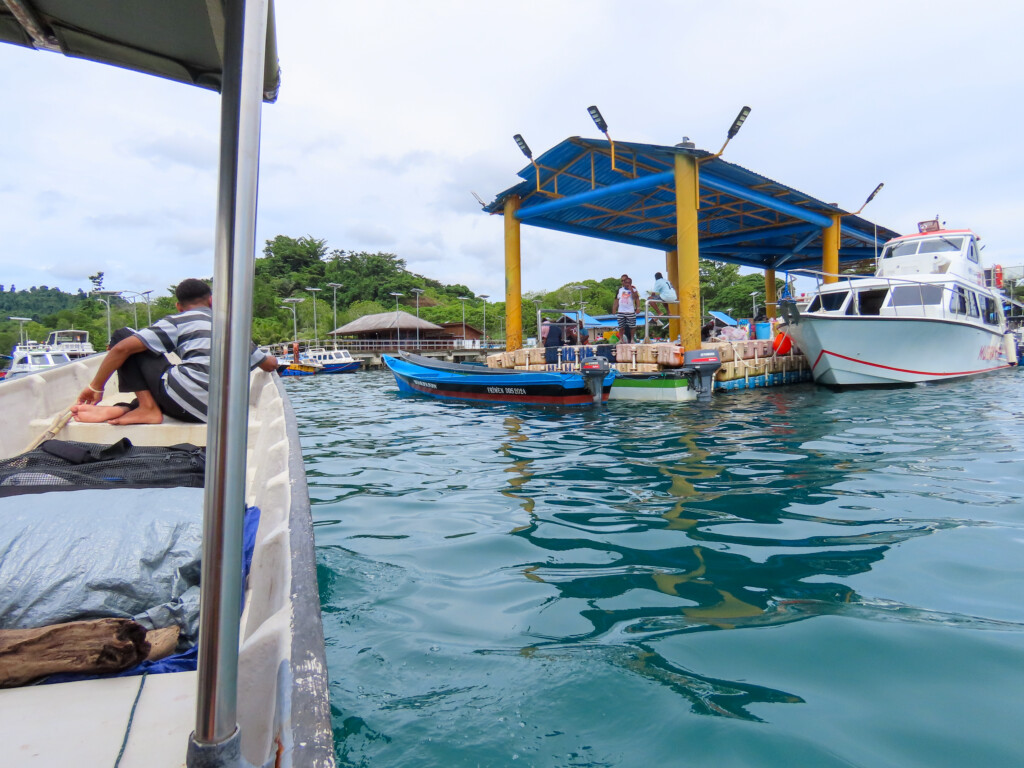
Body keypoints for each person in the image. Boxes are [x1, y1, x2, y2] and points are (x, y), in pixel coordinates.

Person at [71, 278, 278, 425]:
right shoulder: (233, 326)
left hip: (185, 405)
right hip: (222, 413)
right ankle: (125, 408)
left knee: (123, 337)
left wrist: (96, 387)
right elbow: (268, 364)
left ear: (179, 306)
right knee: (174, 377)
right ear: (211, 301)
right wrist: (275, 360)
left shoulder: (177, 321)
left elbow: (121, 349)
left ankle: (147, 409)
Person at [612, 274, 640, 343]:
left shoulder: (633, 288)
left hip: (630, 311)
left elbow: (636, 298)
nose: (623, 282)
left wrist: (638, 307)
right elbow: (616, 299)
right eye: (622, 281)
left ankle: (632, 339)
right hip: (621, 311)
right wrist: (614, 309)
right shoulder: (620, 290)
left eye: (625, 280)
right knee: (621, 326)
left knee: (632, 326)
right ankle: (621, 339)